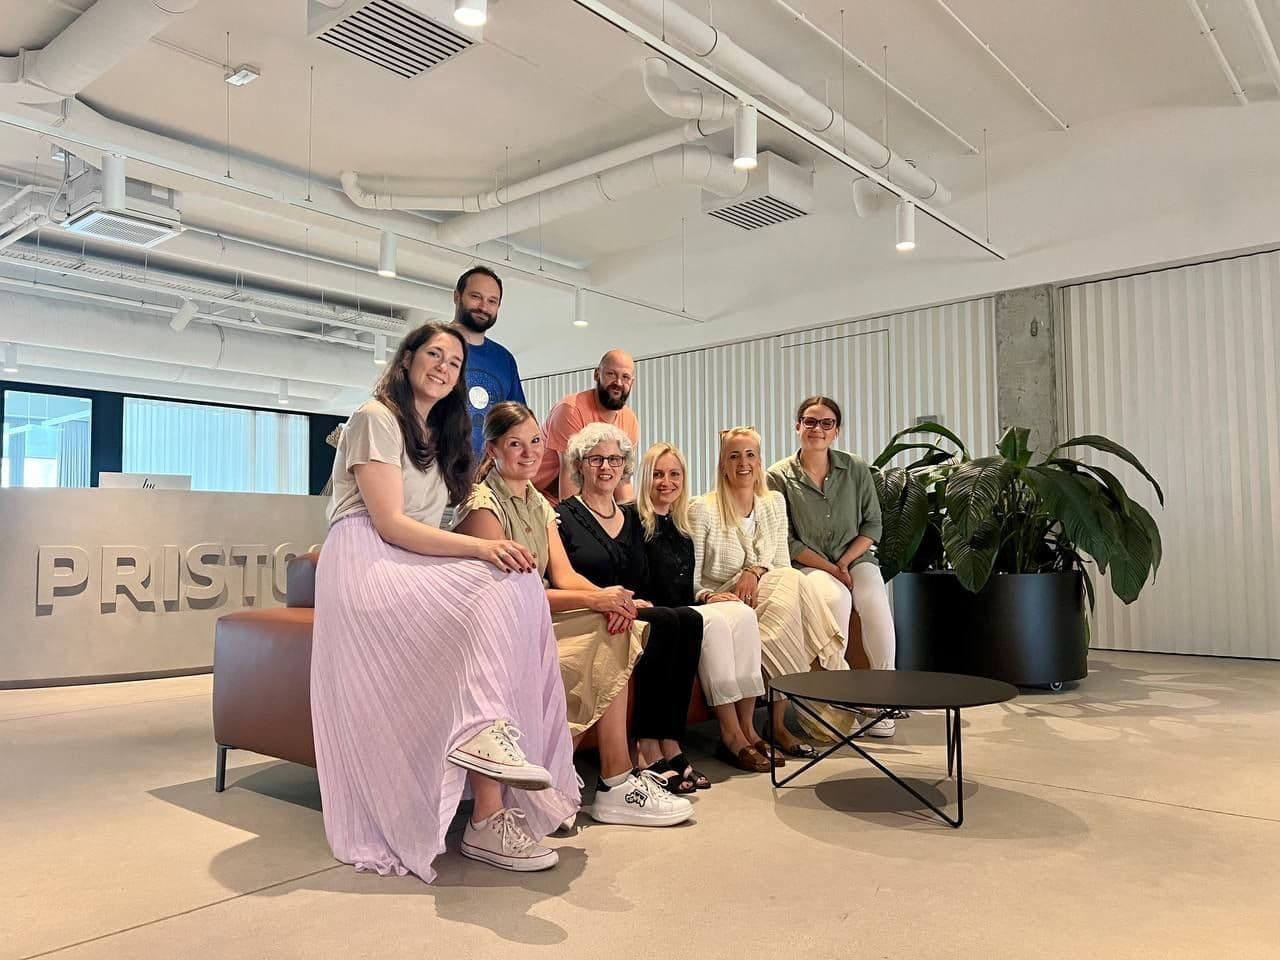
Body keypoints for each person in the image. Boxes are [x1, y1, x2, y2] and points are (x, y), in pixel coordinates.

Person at [312, 321, 579, 882]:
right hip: (365, 558)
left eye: (455, 362)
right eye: (434, 354)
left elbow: (430, 529)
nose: (444, 367)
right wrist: (482, 548)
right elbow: (390, 523)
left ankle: (493, 767)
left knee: (519, 583)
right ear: (408, 359)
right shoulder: (375, 417)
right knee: (497, 577)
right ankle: (486, 774)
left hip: (408, 558)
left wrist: (486, 555)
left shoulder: (444, 436)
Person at [454, 403, 692, 827]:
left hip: (534, 617)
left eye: (535, 442)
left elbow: (564, 576)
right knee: (607, 625)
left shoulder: (538, 503)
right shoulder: (482, 506)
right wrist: (598, 602)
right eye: (515, 444)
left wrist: (612, 598)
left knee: (620, 624)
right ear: (492, 449)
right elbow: (513, 594)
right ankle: (597, 779)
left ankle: (612, 780)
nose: (529, 452)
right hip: (499, 631)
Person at [555, 423, 709, 793]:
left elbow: (640, 576)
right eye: (596, 459)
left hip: (625, 606)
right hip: (590, 610)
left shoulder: (630, 518)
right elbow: (562, 577)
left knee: (688, 618)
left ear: (624, 465)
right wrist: (611, 598)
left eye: (614, 459)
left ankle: (670, 741)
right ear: (580, 465)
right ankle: (645, 748)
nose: (606, 467)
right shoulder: (565, 516)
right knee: (663, 621)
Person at [688, 427, 850, 757]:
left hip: (768, 589)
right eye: (734, 456)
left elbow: (780, 564)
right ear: (722, 464)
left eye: (750, 455)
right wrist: (712, 595)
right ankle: (791, 711)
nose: (743, 463)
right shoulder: (702, 509)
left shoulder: (773, 503)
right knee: (794, 586)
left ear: (760, 461)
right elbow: (692, 580)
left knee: (791, 585)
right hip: (723, 597)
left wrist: (754, 571)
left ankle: (772, 724)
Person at [636, 442, 773, 774]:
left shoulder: (683, 527)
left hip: (686, 606)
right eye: (658, 474)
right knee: (712, 625)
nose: (666, 482)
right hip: (659, 614)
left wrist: (708, 596)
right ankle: (730, 733)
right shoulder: (634, 521)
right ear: (645, 477)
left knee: (742, 613)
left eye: (674, 474)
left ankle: (748, 727)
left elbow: (691, 583)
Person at [767, 396, 898, 737]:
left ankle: (883, 700)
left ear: (836, 430)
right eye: (810, 422)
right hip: (809, 565)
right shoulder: (778, 476)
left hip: (854, 558)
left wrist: (844, 563)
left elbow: (873, 525)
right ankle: (838, 704)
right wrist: (828, 567)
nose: (818, 429)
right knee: (835, 601)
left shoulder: (856, 468)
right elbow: (786, 538)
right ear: (798, 426)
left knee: (874, 600)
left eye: (827, 423)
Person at [534, 350, 639, 504]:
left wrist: (631, 515)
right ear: (597, 374)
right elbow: (570, 481)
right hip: (540, 498)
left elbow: (622, 480)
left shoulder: (630, 420)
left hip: (589, 497)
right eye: (611, 374)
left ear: (632, 382)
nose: (618, 382)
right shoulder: (571, 410)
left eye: (625, 377)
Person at [451, 266, 526, 459]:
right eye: (476, 297)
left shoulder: (504, 360)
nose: (483, 307)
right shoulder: (432, 346)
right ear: (457, 297)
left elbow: (518, 424)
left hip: (488, 472)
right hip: (434, 469)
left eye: (492, 301)